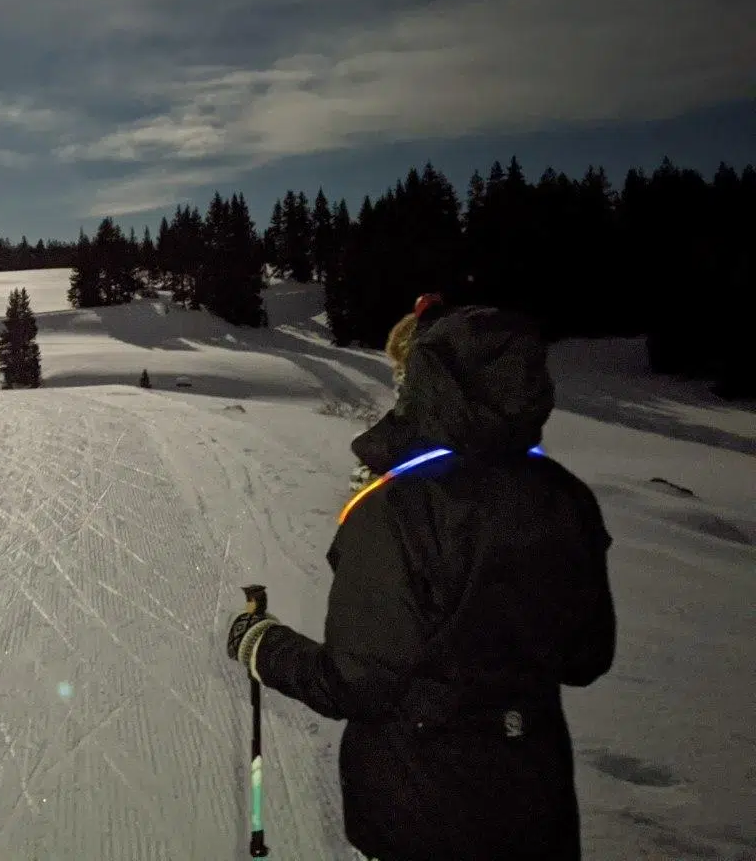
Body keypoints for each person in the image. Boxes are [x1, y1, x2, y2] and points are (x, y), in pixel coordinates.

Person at [226, 295, 616, 861]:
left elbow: (355, 682)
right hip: (537, 805)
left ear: (430, 382)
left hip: (422, 812)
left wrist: (262, 646)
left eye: (404, 376)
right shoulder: (563, 495)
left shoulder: (401, 508)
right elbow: (587, 657)